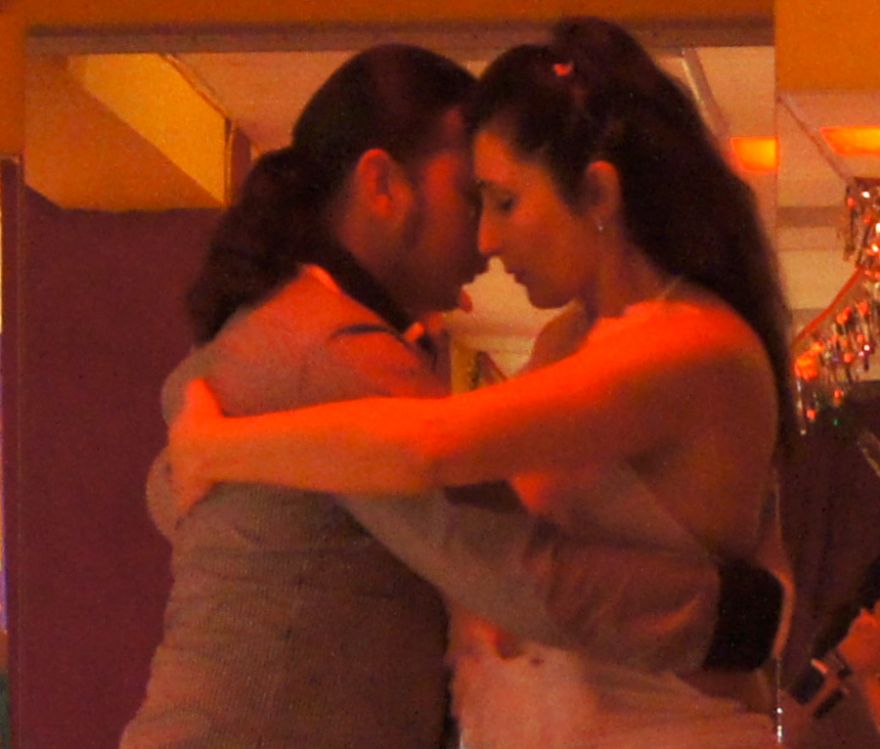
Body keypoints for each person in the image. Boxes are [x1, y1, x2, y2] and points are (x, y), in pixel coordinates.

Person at [122, 41, 783, 749]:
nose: (486, 239)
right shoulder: (333, 346)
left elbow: (437, 462)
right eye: (474, 200)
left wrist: (214, 449)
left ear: (597, 195)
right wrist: (732, 617)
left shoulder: (677, 341)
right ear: (382, 187)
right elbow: (511, 564)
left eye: (503, 201)